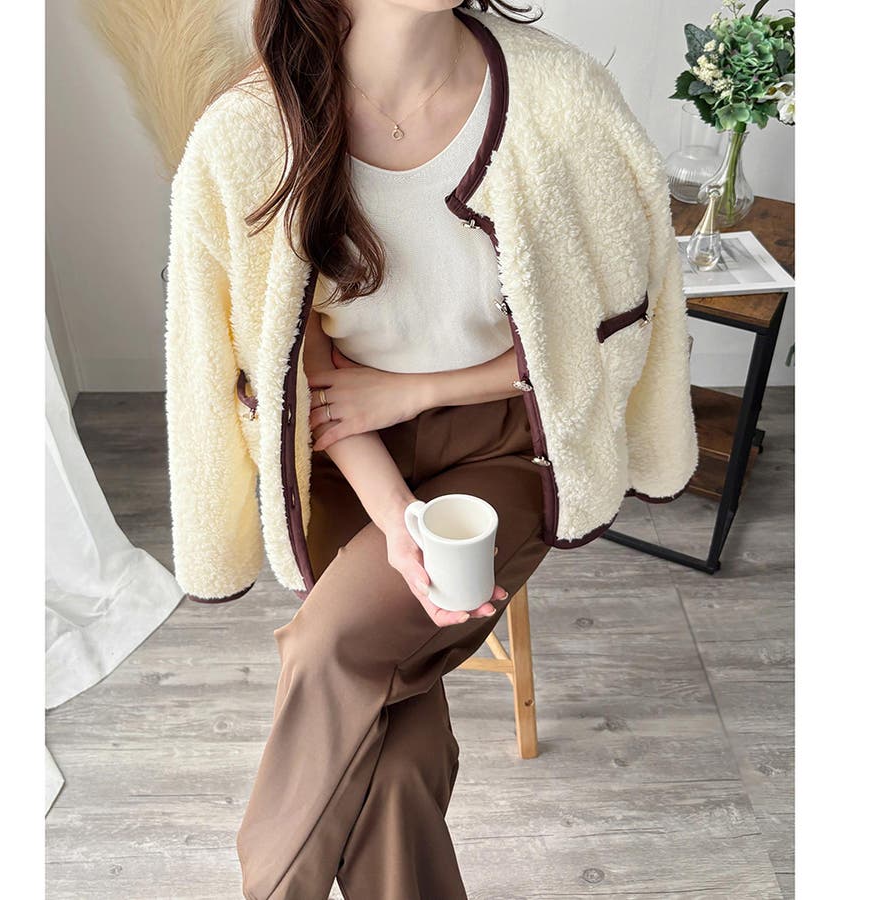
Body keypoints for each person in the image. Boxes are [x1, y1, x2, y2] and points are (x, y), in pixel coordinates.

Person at [163, 1, 700, 898]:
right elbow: (288, 359)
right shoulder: (250, 135)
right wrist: (395, 514)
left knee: (333, 644)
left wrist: (418, 390)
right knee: (395, 770)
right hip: (347, 459)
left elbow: (589, 338)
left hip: (511, 445)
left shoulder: (559, 101)